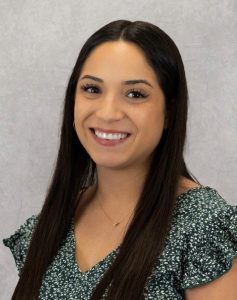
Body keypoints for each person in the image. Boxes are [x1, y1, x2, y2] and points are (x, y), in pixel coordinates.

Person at [2, 19, 237, 300]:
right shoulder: (50, 224)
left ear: (169, 113)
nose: (108, 112)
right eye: (92, 89)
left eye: (135, 94)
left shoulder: (203, 226)